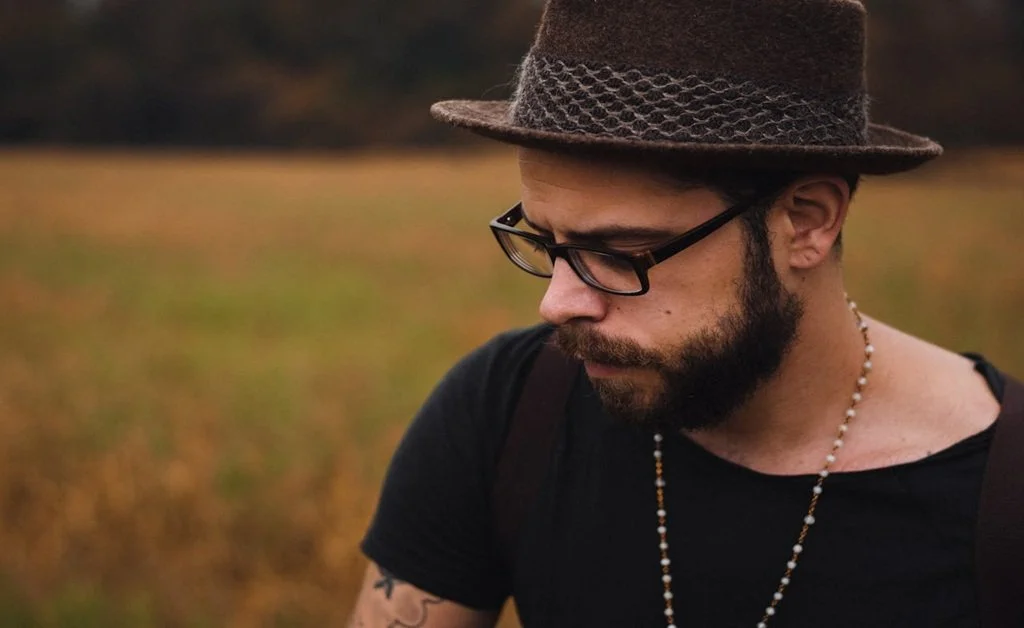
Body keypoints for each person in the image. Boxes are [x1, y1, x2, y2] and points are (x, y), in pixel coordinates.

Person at [348, 1, 1019, 626]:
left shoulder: (1001, 497)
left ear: (807, 221)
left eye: (619, 252)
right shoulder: (508, 409)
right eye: (546, 242)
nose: (556, 304)